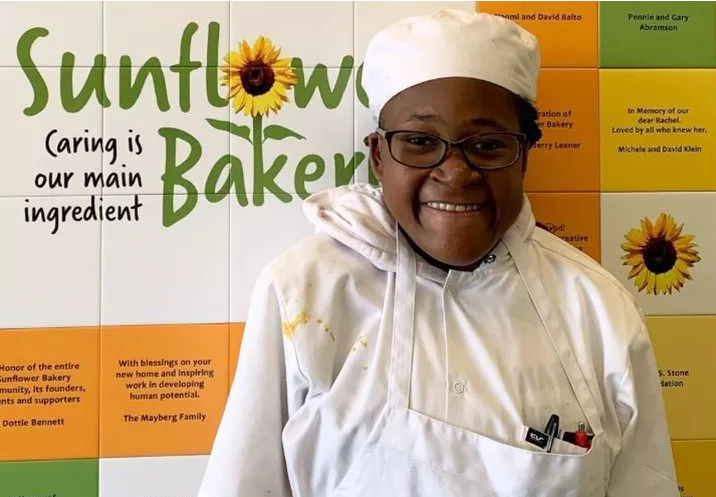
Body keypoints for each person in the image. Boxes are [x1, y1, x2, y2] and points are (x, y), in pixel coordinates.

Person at [197, 9, 679, 497]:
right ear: (379, 156)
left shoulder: (598, 311)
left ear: (525, 157)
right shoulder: (306, 292)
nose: (455, 172)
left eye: (488, 145)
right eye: (421, 142)